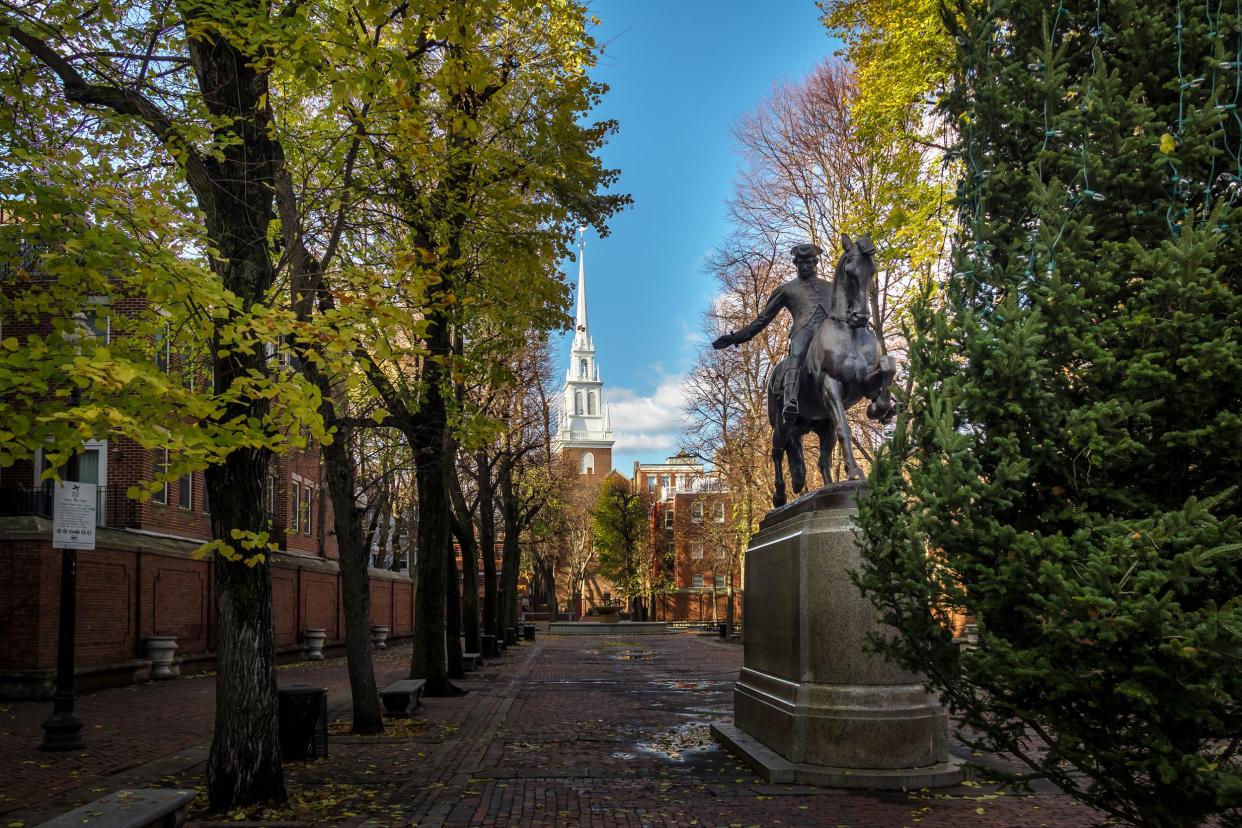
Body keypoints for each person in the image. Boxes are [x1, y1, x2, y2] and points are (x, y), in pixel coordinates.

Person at [712, 242, 834, 423]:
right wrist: (735, 337)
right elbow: (763, 319)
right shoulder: (786, 289)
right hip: (804, 330)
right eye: (800, 263)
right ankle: (790, 399)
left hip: (830, 332)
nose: (804, 266)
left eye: (808, 262)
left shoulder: (831, 287)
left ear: (815, 263)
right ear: (795, 264)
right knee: (798, 355)